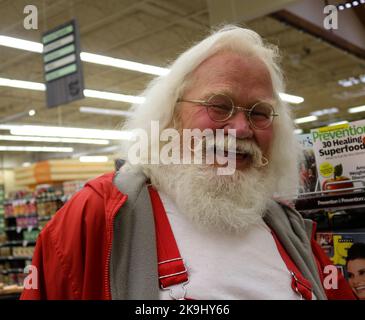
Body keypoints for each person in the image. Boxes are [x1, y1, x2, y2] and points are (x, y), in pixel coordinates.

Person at [21, 25, 355, 300]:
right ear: (172, 116)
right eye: (219, 106)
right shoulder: (98, 214)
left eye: (260, 113)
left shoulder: (292, 231)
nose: (241, 128)